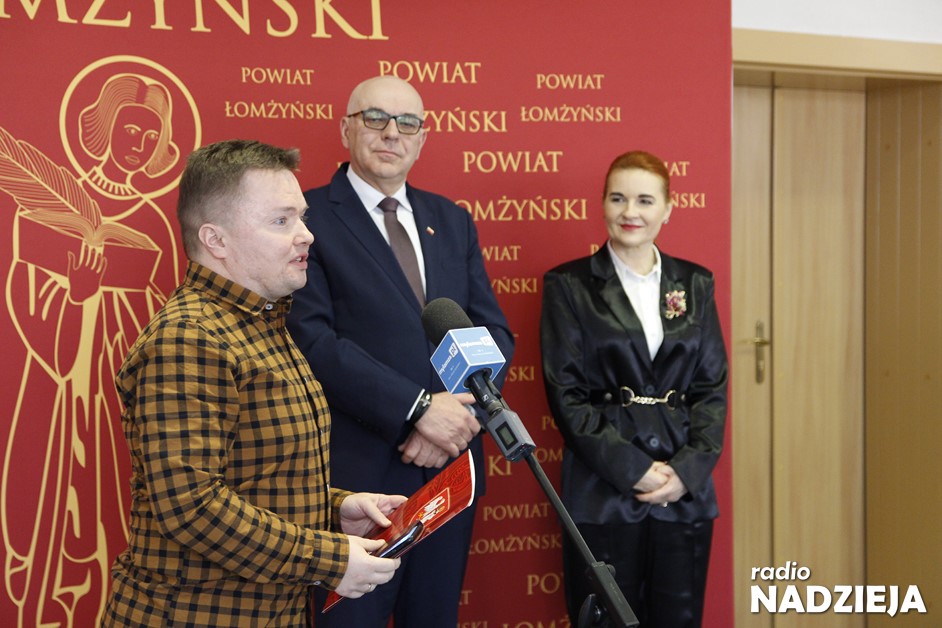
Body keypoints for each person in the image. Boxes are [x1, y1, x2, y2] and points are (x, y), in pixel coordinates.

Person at [101, 139, 407, 626]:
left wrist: (336, 508)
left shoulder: (262, 322)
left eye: (302, 217)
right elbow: (191, 506)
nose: (306, 235)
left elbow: (258, 479)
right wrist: (328, 559)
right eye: (281, 221)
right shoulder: (189, 338)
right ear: (216, 241)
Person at [286, 76, 514, 627]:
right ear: (346, 129)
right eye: (376, 118)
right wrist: (418, 411)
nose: (392, 133)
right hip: (355, 479)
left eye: (407, 122)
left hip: (448, 470)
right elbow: (313, 341)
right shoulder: (306, 216)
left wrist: (453, 419)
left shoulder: (451, 219)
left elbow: (492, 333)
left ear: (422, 138)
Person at [540, 150, 728, 628]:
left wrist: (685, 471)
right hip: (601, 490)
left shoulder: (695, 283)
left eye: (645, 200)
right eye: (618, 198)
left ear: (667, 209)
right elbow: (566, 395)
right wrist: (636, 470)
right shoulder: (568, 285)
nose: (630, 212)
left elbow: (711, 387)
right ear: (603, 203)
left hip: (682, 493)